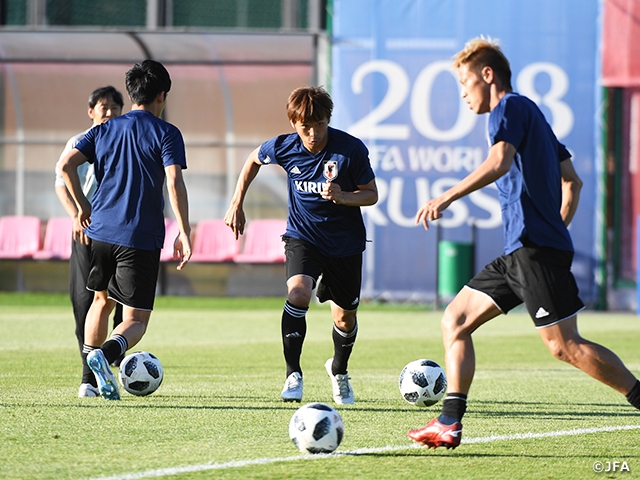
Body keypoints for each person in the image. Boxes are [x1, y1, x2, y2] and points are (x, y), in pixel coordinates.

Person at [407, 37, 640, 449]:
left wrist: (446, 196)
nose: (462, 94)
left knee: (565, 346)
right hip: (522, 249)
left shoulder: (508, 108)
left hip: (533, 248)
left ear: (487, 75)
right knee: (455, 320)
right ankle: (449, 422)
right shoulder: (534, 115)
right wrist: (558, 229)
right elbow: (574, 182)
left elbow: (499, 162)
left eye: (464, 83)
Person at [224, 86, 378, 405]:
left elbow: (371, 194)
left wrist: (345, 197)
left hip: (345, 244)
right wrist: (237, 202)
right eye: (305, 126)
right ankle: (293, 374)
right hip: (303, 237)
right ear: (293, 123)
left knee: (344, 319)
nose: (312, 133)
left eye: (319, 124)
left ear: (328, 120)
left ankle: (339, 370)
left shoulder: (350, 150)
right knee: (298, 293)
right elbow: (253, 160)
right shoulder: (283, 147)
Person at [59, 60, 192, 401]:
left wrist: (81, 207)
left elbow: (65, 166)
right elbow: (174, 181)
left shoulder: (104, 129)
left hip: (100, 233)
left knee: (101, 302)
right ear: (162, 95)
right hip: (139, 237)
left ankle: (88, 381)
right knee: (136, 320)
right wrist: (184, 230)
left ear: (132, 94)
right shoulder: (167, 133)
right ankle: (105, 354)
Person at [55, 86, 125, 398]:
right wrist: (76, 214)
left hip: (121, 232)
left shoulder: (127, 140)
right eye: (103, 106)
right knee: (86, 304)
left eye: (114, 107)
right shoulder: (79, 142)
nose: (108, 112)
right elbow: (62, 181)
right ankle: (89, 378)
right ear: (91, 111)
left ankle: (118, 369)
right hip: (87, 231)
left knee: (123, 304)